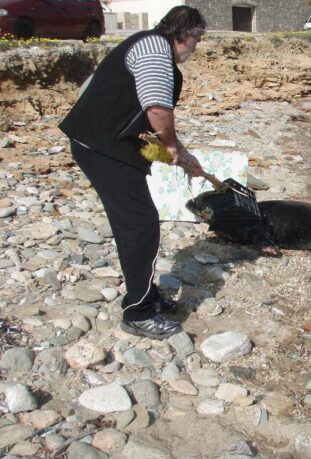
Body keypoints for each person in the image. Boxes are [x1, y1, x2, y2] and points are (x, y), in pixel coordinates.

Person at [59, 6, 207, 339]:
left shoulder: (145, 45)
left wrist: (181, 153)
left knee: (137, 222)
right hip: (101, 148)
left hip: (104, 144)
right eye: (198, 40)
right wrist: (172, 146)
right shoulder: (155, 48)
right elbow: (156, 107)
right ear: (186, 35)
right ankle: (138, 313)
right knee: (139, 225)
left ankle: (147, 296)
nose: (196, 48)